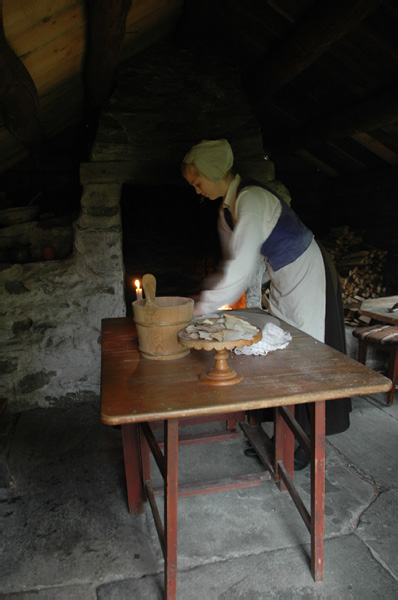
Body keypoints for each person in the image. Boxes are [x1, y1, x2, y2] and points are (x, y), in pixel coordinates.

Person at [182, 138, 351, 468]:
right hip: (283, 278)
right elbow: (240, 264)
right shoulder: (228, 210)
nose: (196, 190)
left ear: (213, 172)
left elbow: (242, 265)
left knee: (307, 360)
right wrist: (219, 299)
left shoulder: (252, 199)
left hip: (307, 275)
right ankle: (282, 441)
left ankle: (303, 448)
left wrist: (204, 306)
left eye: (197, 181)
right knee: (284, 357)